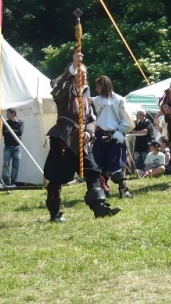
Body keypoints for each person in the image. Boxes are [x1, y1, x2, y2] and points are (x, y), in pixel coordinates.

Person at [44, 51, 121, 221]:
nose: (84, 76)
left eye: (85, 73)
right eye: (81, 73)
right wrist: (73, 66)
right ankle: (54, 213)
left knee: (93, 171)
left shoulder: (87, 98)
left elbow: (91, 119)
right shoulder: (63, 93)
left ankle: (99, 207)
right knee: (57, 178)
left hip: (82, 143)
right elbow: (59, 89)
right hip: (64, 140)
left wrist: (89, 132)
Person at [92, 75, 134, 198]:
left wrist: (119, 131)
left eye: (98, 86)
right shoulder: (96, 101)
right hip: (100, 136)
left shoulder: (119, 100)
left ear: (103, 86)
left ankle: (123, 189)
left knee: (117, 163)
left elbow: (127, 121)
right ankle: (104, 189)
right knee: (100, 163)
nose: (97, 88)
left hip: (114, 136)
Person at [2, 108, 24, 186]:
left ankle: (13, 182)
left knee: (16, 165)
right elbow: (4, 133)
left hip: (17, 147)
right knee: (6, 164)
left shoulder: (20, 122)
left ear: (13, 114)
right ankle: (6, 182)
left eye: (8, 113)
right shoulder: (5, 123)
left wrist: (10, 131)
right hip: (7, 146)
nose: (7, 115)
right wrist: (14, 131)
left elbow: (20, 132)